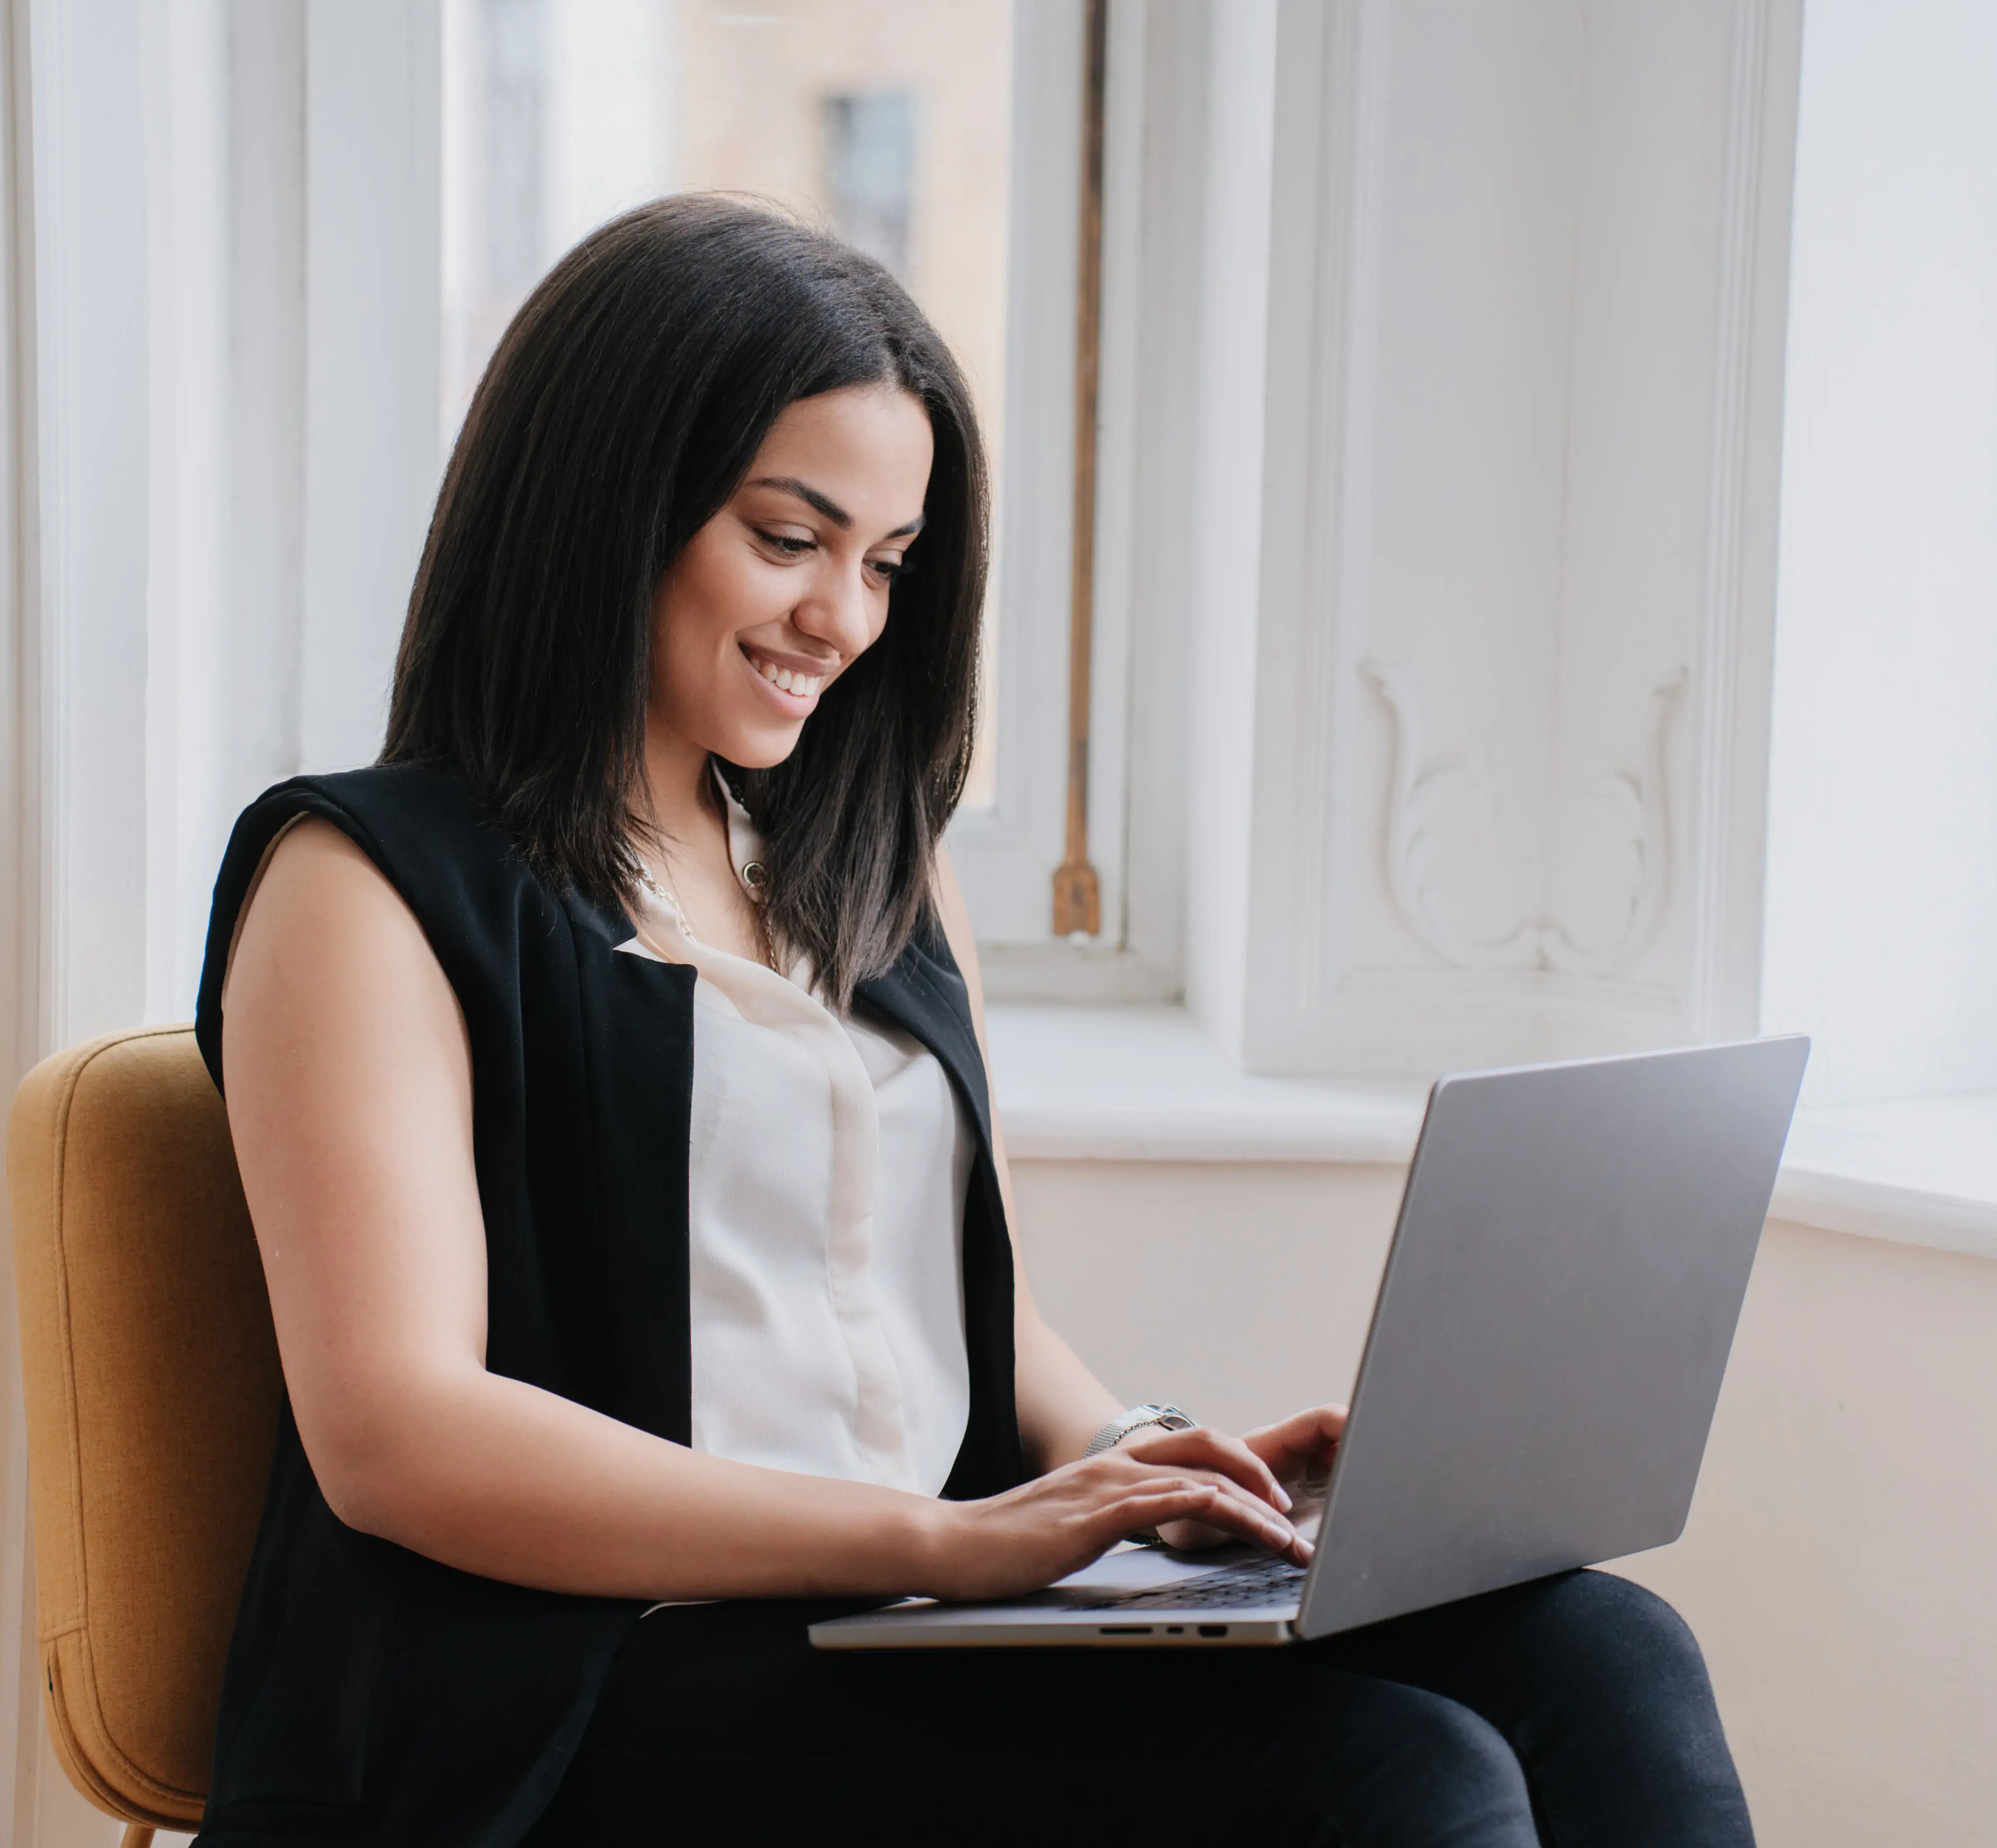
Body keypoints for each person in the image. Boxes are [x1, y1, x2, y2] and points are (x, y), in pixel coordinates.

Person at [199, 194, 1753, 1848]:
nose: (844, 620)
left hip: (893, 1614)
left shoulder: (863, 865)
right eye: (788, 538)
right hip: (570, 1685)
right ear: (604, 502)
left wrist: (1152, 1466)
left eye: (885, 562)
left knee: (1598, 1646)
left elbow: (947, 1307)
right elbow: (397, 1434)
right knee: (1398, 1780)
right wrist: (939, 1539)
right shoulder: (366, 877)